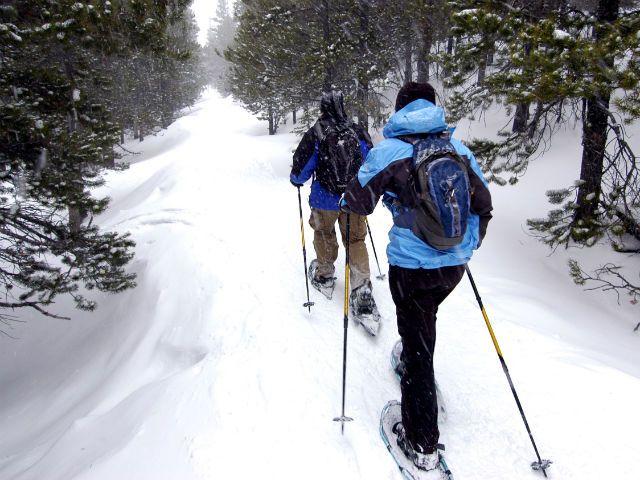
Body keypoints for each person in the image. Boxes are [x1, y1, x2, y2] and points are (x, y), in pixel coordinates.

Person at [341, 82, 493, 471]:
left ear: (400, 110)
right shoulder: (457, 149)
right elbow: (483, 204)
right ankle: (416, 357)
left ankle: (422, 443)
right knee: (426, 319)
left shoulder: (390, 150)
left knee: (417, 344)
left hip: (412, 267)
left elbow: (357, 202)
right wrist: (466, 245)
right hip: (454, 267)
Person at [290, 90, 377, 319]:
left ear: (322, 108)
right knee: (356, 239)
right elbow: (372, 163)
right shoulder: (357, 132)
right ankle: (361, 288)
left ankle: (325, 272)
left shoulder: (316, 133)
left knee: (324, 233)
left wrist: (296, 180)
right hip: (353, 199)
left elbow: (300, 172)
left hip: (324, 200)